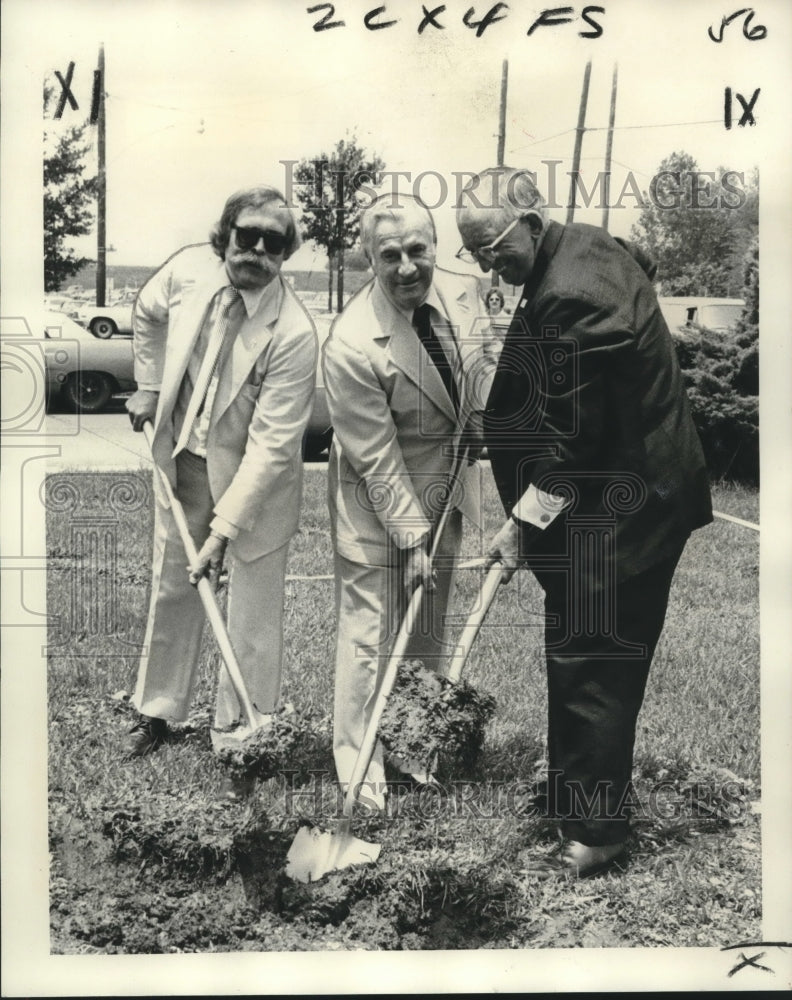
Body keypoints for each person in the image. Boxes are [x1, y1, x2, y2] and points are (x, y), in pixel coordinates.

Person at [456, 167, 712, 877]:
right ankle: (577, 795)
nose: (487, 266)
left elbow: (570, 446)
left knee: (592, 659)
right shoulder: (589, 248)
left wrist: (519, 523)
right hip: (616, 488)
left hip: (627, 507)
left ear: (532, 222)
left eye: (492, 246)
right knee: (580, 650)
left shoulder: (571, 290)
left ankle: (597, 833)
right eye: (473, 255)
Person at [124, 185, 318, 760]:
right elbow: (146, 313)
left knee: (252, 605)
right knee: (172, 585)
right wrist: (149, 383)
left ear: (286, 253)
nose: (256, 249)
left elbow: (271, 449)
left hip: (257, 483)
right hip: (186, 457)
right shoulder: (187, 271)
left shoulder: (296, 333)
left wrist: (224, 531)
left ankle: (240, 732)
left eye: (273, 242)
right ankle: (156, 711)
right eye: (247, 235)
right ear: (225, 236)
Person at [323, 193, 495, 808]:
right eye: (388, 254)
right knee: (369, 640)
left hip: (446, 493)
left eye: (417, 250)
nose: (405, 267)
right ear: (368, 256)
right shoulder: (350, 343)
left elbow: (478, 362)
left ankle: (410, 751)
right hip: (378, 508)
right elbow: (374, 455)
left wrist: (478, 414)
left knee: (425, 631)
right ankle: (359, 773)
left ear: (435, 248)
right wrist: (410, 538)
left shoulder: (460, 294)